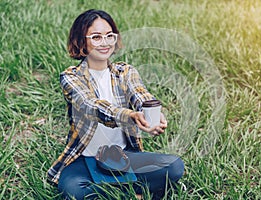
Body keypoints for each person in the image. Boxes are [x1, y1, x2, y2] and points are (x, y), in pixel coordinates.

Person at [47, 9, 184, 199]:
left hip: (123, 157)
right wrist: (128, 115)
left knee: (174, 166)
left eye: (109, 36)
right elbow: (91, 105)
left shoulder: (125, 72)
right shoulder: (71, 77)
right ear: (81, 41)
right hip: (85, 158)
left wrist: (151, 114)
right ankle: (133, 191)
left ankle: (112, 190)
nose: (105, 43)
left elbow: (141, 95)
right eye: (96, 37)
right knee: (73, 190)